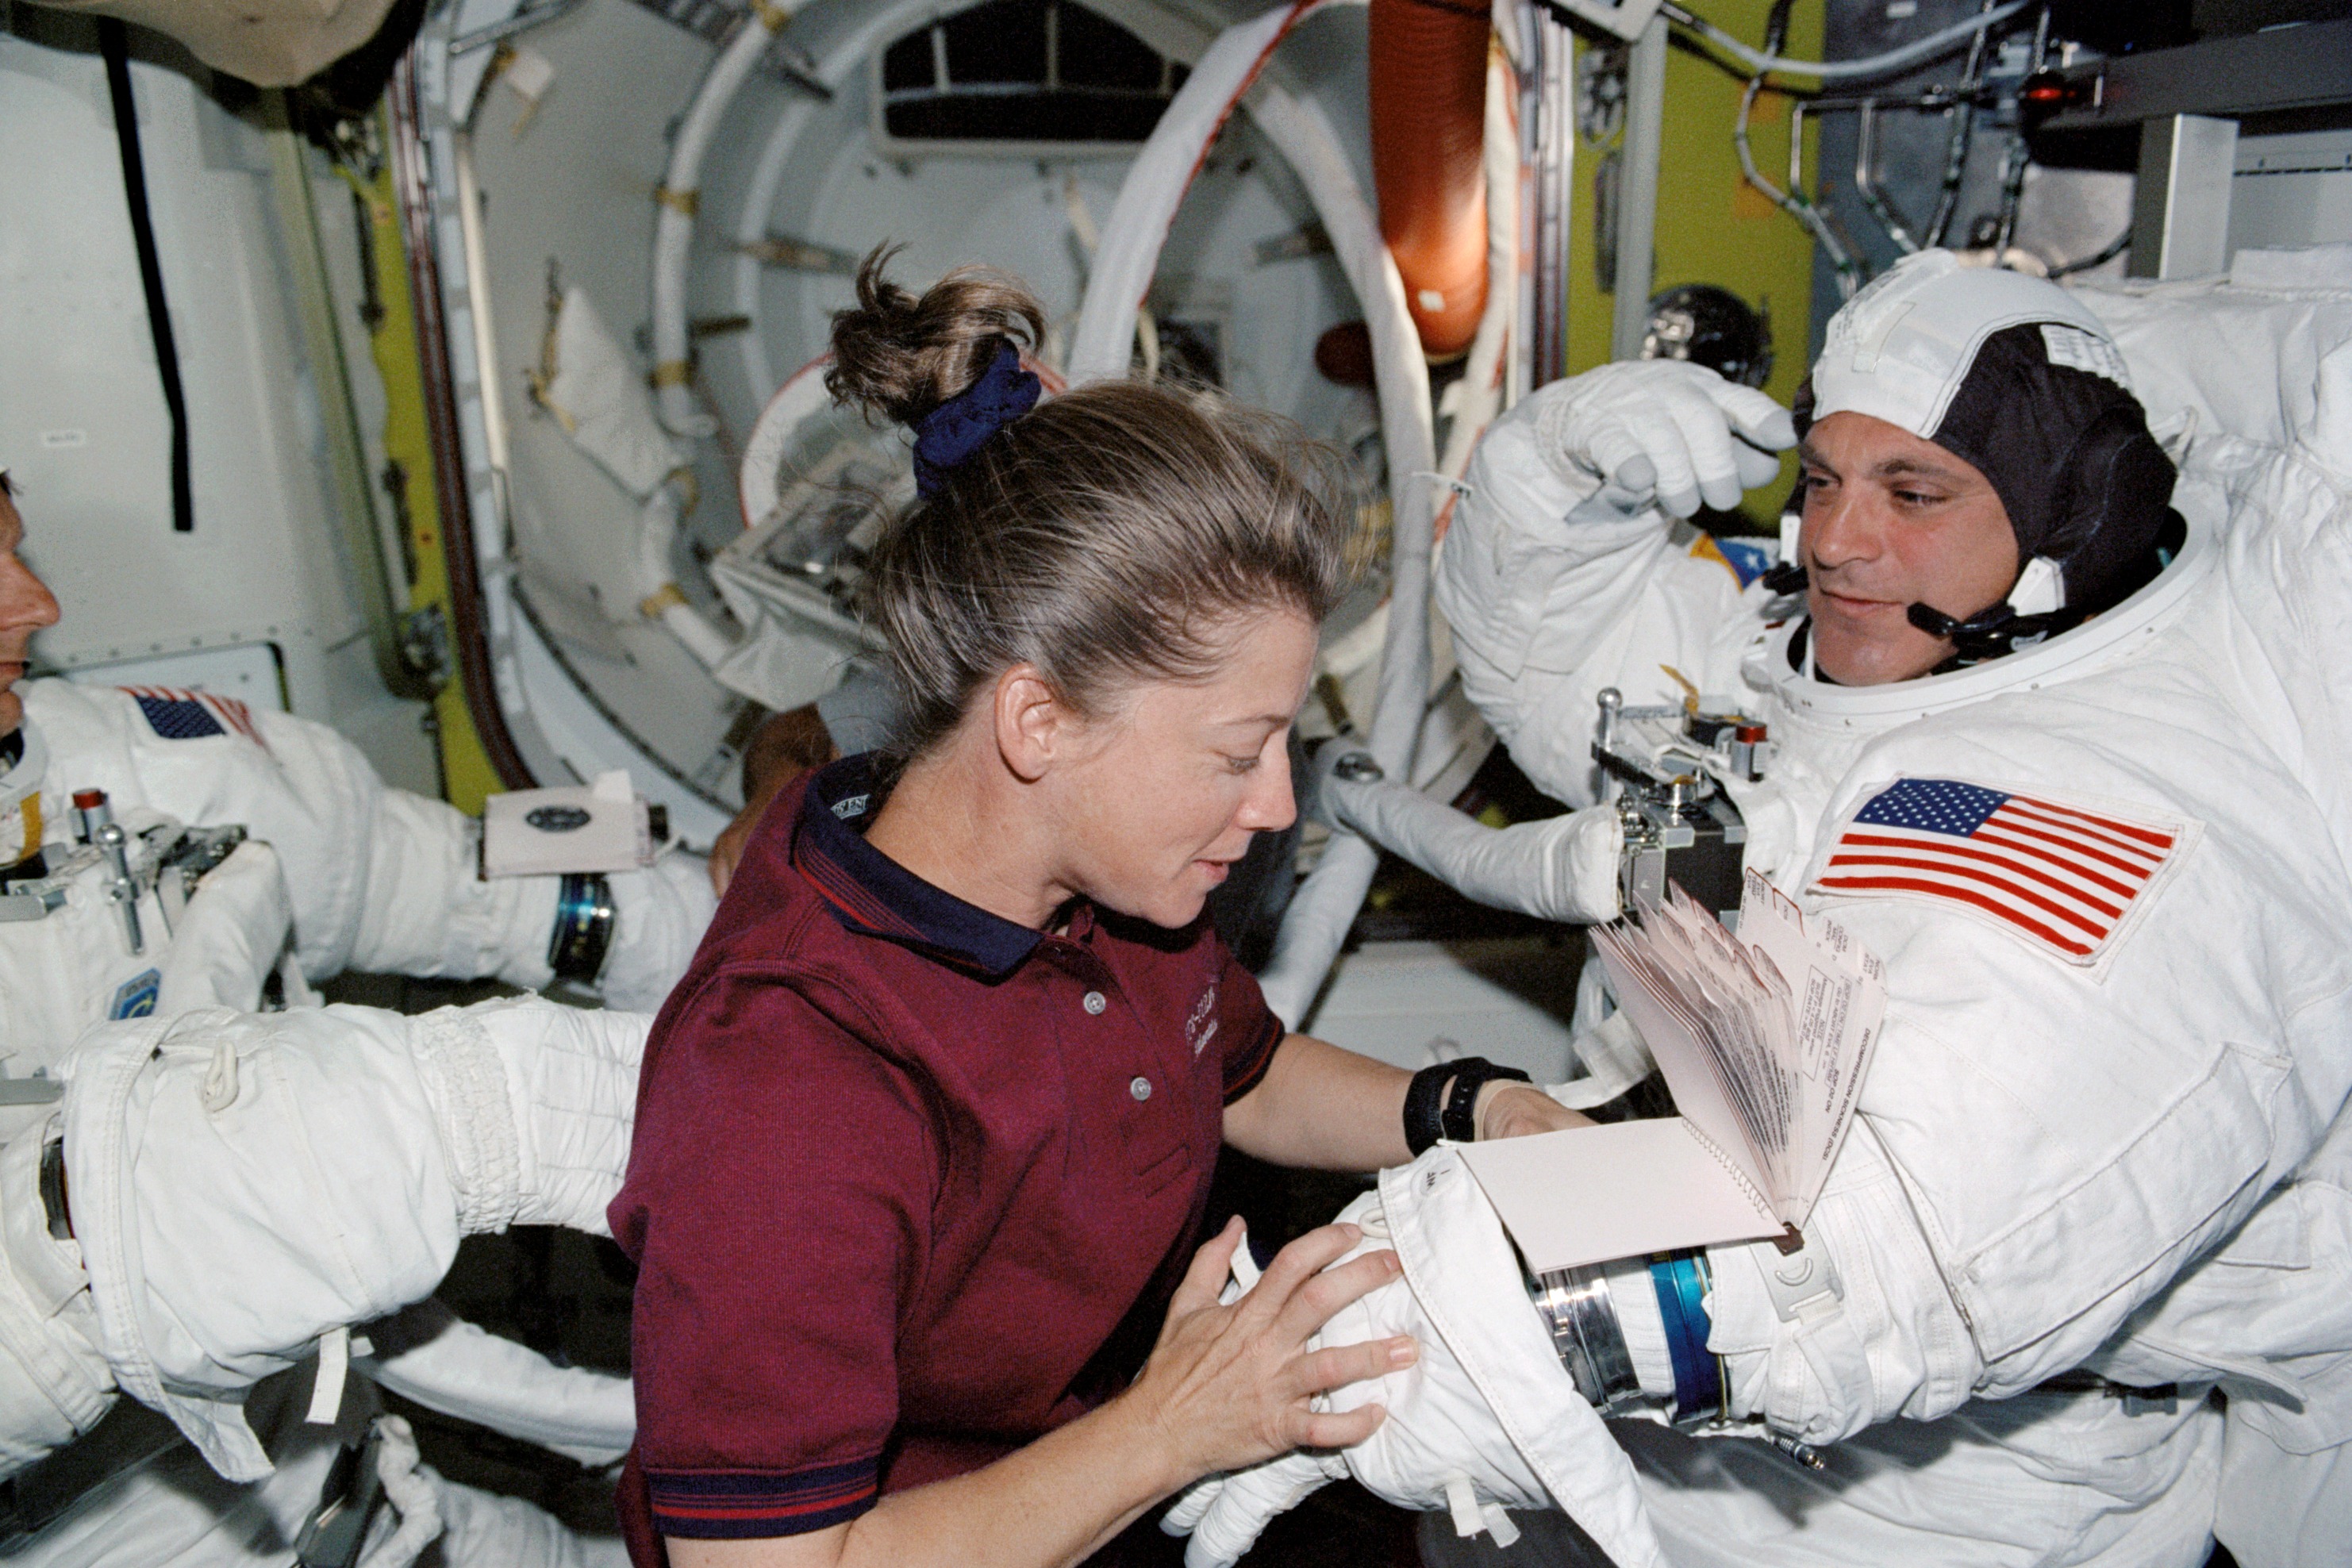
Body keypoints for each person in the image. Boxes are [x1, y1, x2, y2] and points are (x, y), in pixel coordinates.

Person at [1166, 249, 2352, 1568]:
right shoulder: (1845, 657)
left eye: (1913, 493)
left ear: (2073, 523)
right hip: (1653, 1438)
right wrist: (1545, 485)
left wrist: (1462, 1309)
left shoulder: (2126, 812)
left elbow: (1879, 1241)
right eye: (1828, 478)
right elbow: (1570, 674)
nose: (1835, 539)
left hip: (1933, 1505)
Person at [609, 251, 1584, 1568]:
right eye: (1238, 753)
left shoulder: (1116, 892)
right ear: (1039, 719)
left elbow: (1242, 1071)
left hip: (1110, 1450)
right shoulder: (793, 1081)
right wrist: (1174, 1430)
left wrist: (1471, 1109)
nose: (1277, 808)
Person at [0, 467, 699, 1562]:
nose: (35, 606)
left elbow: (418, 857)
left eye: (16, 549)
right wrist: (169, 1221)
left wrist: (658, 888)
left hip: (389, 1500)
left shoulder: (127, 758)